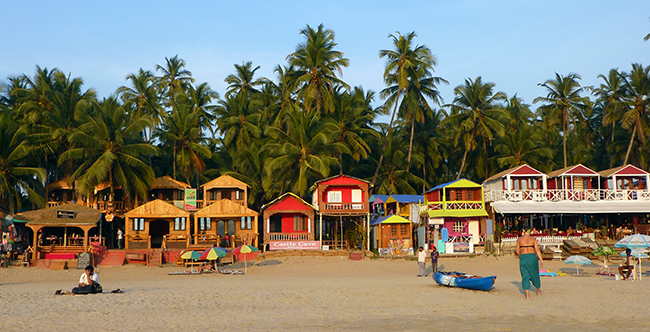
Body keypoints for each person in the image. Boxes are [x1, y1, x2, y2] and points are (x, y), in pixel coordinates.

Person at [516, 229, 543, 299]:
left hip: (523, 257)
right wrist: (541, 260)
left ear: (523, 232)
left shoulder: (519, 240)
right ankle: (538, 291)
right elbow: (537, 250)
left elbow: (517, 251)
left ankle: (527, 295)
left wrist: (520, 256)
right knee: (535, 274)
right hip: (532, 257)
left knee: (525, 276)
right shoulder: (533, 239)